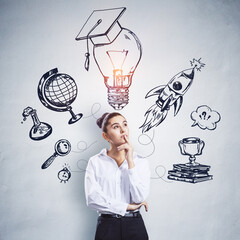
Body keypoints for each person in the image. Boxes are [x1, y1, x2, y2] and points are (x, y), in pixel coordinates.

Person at [84, 112, 150, 240]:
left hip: (135, 225)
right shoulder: (95, 162)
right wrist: (126, 207)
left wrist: (130, 161)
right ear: (106, 136)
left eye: (125, 124)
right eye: (116, 127)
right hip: (107, 226)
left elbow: (139, 197)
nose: (123, 130)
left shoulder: (141, 162)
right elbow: (92, 199)